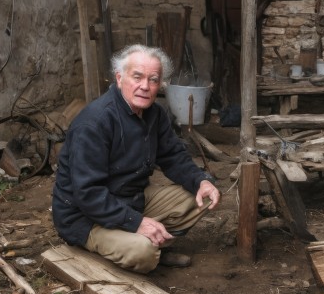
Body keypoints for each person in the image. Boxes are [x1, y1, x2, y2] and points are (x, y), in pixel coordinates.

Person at [52, 44, 221, 273]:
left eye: (153, 80)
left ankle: (140, 238)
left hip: (130, 198)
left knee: (205, 194)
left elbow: (173, 157)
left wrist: (200, 180)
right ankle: (110, 245)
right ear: (120, 78)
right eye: (137, 77)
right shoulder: (95, 123)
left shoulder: (155, 114)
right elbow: (88, 193)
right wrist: (137, 222)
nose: (145, 86)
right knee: (144, 253)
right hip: (86, 217)